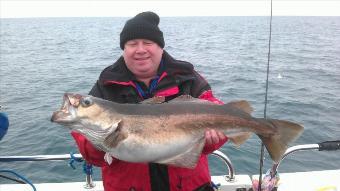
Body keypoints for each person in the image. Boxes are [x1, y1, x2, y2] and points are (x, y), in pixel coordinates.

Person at [71, 11, 228, 191]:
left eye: (148, 42)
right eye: (132, 43)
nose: (140, 50)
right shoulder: (105, 87)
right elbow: (92, 155)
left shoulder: (188, 78)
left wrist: (212, 140)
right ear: (124, 49)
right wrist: (101, 142)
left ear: (160, 47)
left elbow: (219, 113)